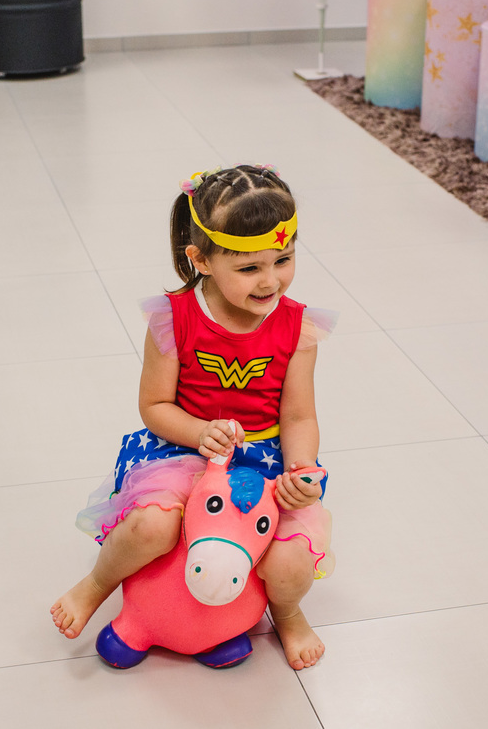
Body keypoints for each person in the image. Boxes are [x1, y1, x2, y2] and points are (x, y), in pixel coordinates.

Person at [50, 164, 337, 670]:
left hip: (262, 455)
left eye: (284, 260)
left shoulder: (299, 327)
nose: (271, 280)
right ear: (200, 259)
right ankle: (97, 584)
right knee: (151, 528)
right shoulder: (173, 317)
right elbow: (154, 406)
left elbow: (297, 415)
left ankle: (287, 613)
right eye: (249, 269)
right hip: (181, 446)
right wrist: (200, 432)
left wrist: (299, 470)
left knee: (291, 558)